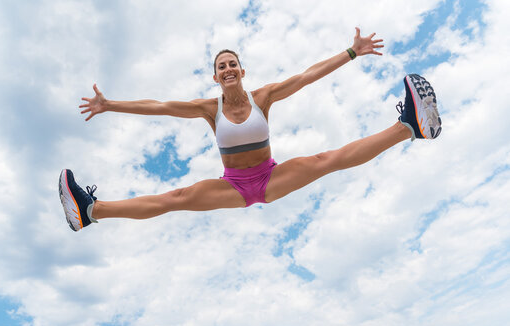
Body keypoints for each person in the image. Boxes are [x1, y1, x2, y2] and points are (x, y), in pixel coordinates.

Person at [59, 27, 441, 232]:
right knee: (176, 198)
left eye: (232, 64)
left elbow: (307, 76)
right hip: (232, 185)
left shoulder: (265, 96)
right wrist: (110, 104)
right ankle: (91, 211)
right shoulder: (210, 108)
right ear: (215, 77)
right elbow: (159, 106)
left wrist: (352, 52)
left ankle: (410, 126)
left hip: (270, 177)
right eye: (221, 66)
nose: (227, 69)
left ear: (242, 71)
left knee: (328, 159)